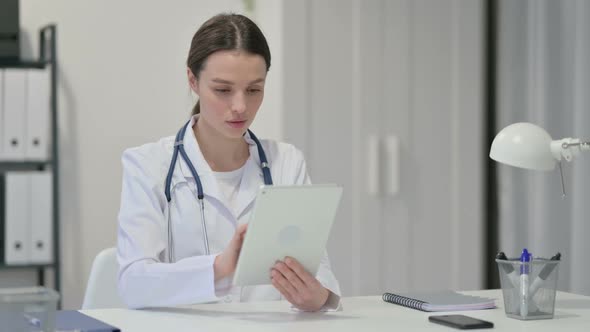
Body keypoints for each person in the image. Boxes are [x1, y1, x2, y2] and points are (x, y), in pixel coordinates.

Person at [116, 13, 341, 311]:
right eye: (223, 90)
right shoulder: (147, 164)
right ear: (193, 80)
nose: (240, 106)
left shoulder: (286, 162)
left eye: (254, 90)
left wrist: (321, 297)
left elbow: (318, 268)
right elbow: (133, 284)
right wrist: (219, 268)